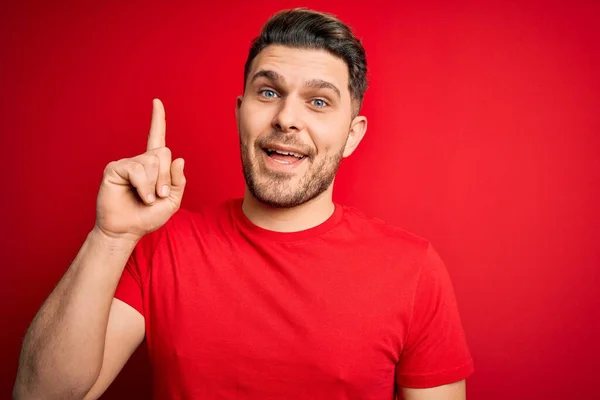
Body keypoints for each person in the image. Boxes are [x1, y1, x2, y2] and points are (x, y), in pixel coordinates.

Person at [13, 8, 473, 400]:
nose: (287, 119)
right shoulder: (161, 247)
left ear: (352, 135)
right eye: (268, 92)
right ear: (240, 112)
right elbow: (39, 394)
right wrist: (111, 236)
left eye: (318, 101)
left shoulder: (414, 271)